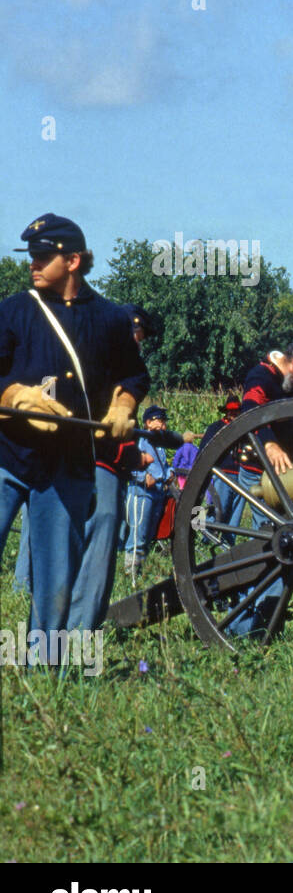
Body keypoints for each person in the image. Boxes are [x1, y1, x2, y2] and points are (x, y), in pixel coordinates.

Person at [0, 213, 149, 664]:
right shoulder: (13, 310)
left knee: (55, 585)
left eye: (44, 255)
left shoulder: (109, 318)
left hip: (67, 467)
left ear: (74, 260)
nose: (33, 263)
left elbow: (133, 374)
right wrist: (14, 394)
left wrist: (124, 405)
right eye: (31, 255)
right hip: (8, 456)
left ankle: (44, 671)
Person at [227, 337, 293, 637]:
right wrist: (269, 443)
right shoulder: (262, 376)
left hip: (288, 477)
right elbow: (249, 410)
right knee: (270, 547)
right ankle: (248, 628)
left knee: (284, 543)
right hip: (260, 474)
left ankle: (269, 618)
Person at [123, 405, 173, 574]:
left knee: (149, 535)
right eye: (160, 421)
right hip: (142, 492)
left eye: (164, 422)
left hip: (158, 492)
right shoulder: (139, 441)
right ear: (148, 423)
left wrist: (170, 473)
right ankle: (131, 572)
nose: (164, 426)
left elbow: (163, 466)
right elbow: (128, 464)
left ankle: (142, 570)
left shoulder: (160, 445)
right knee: (138, 536)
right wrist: (142, 477)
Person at [198, 395, 244, 527]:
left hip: (240, 475)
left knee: (235, 514)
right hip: (222, 473)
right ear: (226, 412)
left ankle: (228, 540)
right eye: (231, 411)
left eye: (236, 411)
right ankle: (207, 536)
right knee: (218, 509)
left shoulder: (244, 427)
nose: (233, 414)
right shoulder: (216, 427)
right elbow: (204, 450)